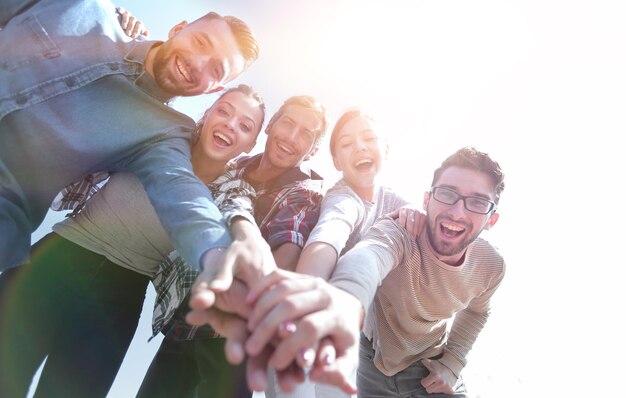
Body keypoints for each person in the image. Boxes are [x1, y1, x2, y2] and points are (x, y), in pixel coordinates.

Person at [0, 85, 269, 398]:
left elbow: (241, 216)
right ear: (208, 113)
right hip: (56, 259)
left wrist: (251, 244)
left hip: (119, 300)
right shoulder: (160, 134)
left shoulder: (233, 192)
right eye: (224, 111)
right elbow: (122, 94)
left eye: (245, 125)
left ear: (250, 144)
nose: (230, 124)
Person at [0, 0, 258, 277]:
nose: (197, 63)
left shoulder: (163, 132)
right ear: (178, 29)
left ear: (213, 89)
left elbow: (183, 193)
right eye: (200, 42)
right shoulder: (82, 7)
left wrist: (218, 255)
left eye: (216, 69)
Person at [234, 146, 506, 398]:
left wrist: (454, 362)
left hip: (430, 371)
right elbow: (366, 260)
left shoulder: (490, 265)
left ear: (491, 219)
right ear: (427, 199)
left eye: (478, 203)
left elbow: (478, 311)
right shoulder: (399, 232)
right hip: (371, 365)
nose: (457, 212)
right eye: (447, 194)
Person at [136, 95, 329, 397]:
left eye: (306, 133)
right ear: (270, 126)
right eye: (288, 123)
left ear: (314, 149)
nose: (292, 137)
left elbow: (288, 245)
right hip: (185, 320)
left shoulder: (304, 193)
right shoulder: (234, 166)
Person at [278, 109, 420, 398]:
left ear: (385, 148)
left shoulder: (396, 201)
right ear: (336, 161)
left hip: (368, 339)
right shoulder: (341, 198)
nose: (360, 147)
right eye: (346, 143)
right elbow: (330, 231)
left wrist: (418, 216)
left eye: (368, 138)